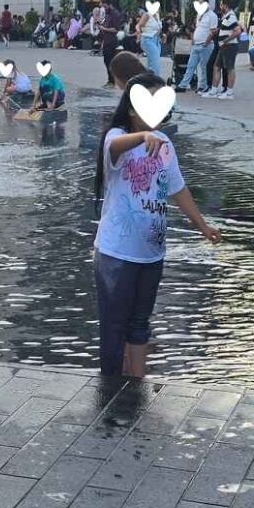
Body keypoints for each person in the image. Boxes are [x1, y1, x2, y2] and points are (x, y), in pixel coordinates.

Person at [93, 74, 221, 378]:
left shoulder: (165, 144)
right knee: (114, 327)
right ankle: (109, 389)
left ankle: (137, 385)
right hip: (116, 253)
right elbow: (113, 145)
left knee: (140, 324)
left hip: (152, 253)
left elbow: (178, 190)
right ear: (131, 109)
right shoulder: (118, 137)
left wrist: (202, 226)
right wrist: (141, 137)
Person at [203, 0, 242, 99]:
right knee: (216, 67)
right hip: (223, 46)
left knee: (230, 68)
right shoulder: (226, 16)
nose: (220, 7)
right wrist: (218, 31)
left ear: (225, 5)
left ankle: (229, 93)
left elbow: (237, 31)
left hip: (229, 46)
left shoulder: (231, 16)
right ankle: (214, 90)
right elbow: (224, 28)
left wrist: (226, 40)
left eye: (221, 5)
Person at [177, 1, 217, 93]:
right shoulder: (199, 15)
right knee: (190, 65)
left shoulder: (212, 16)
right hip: (196, 44)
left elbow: (213, 31)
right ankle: (183, 85)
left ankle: (203, 86)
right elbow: (197, 28)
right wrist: (193, 39)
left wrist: (206, 42)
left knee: (204, 67)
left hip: (205, 45)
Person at [99, 0, 124, 85]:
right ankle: (111, 79)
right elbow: (106, 25)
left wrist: (104, 29)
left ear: (110, 5)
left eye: (105, 6)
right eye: (103, 7)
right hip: (107, 40)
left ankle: (112, 80)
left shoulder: (115, 14)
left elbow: (116, 29)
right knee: (106, 61)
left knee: (110, 61)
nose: (104, 8)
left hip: (112, 41)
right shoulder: (107, 14)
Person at [136, 3, 163, 76]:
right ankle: (156, 80)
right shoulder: (147, 15)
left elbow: (158, 28)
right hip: (148, 39)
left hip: (156, 40)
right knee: (155, 63)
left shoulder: (157, 16)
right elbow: (138, 26)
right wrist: (139, 33)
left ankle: (148, 79)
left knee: (151, 62)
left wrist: (161, 36)